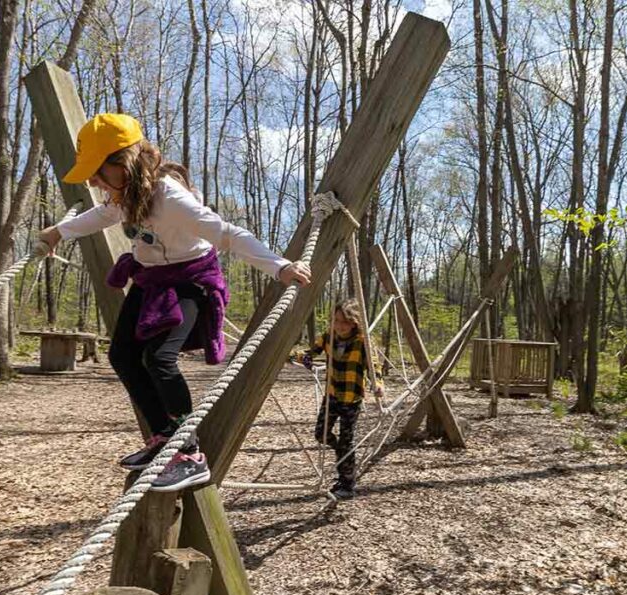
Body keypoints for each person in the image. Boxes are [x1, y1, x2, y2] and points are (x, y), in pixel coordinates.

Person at [38, 113, 311, 492]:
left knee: (159, 359)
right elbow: (100, 216)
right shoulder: (124, 195)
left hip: (189, 281)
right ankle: (163, 438)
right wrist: (58, 232)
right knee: (122, 355)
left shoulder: (170, 197)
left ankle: (189, 454)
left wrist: (280, 266)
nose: (92, 181)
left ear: (123, 164)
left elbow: (227, 234)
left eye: (97, 172)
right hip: (150, 278)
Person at [301, 299, 382, 501]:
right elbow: (311, 352)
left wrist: (378, 384)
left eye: (345, 322)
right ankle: (342, 455)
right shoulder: (328, 336)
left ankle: (347, 483)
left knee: (347, 440)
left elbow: (374, 367)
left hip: (351, 399)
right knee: (321, 434)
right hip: (332, 395)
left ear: (355, 322)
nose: (339, 326)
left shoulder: (363, 341)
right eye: (336, 320)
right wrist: (299, 356)